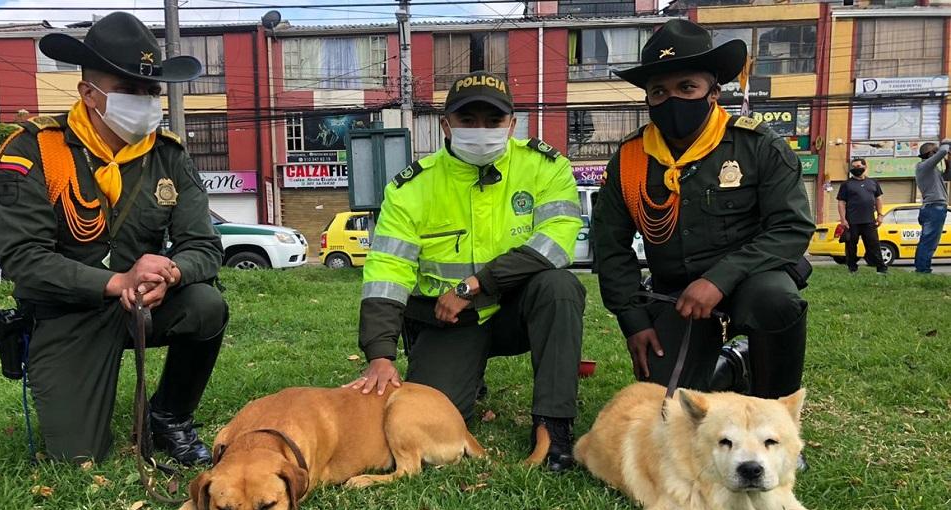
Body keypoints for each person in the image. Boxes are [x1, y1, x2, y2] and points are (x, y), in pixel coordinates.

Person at [0, 12, 227, 464]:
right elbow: (23, 259)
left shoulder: (168, 156)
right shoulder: (34, 151)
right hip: (67, 315)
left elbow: (204, 246)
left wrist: (171, 273)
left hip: (144, 307)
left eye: (151, 91)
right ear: (88, 93)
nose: (144, 102)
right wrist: (115, 282)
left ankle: (170, 417)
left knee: (206, 305)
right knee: (77, 457)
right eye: (128, 90)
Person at [346, 71, 585, 472]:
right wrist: (380, 354)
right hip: (449, 321)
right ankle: (467, 376)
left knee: (560, 286)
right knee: (433, 427)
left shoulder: (546, 167)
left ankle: (554, 427)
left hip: (516, 310)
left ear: (512, 124)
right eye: (467, 121)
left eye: (493, 122)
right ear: (446, 125)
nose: (481, 130)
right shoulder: (410, 188)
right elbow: (388, 269)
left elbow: (558, 242)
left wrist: (476, 284)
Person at [592, 19, 814, 400]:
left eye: (687, 87)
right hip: (676, 297)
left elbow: (791, 228)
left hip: (751, 280)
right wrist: (633, 320)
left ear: (713, 91)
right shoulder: (630, 160)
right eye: (659, 91)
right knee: (670, 410)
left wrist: (718, 279)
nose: (672, 99)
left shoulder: (757, 146)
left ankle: (775, 414)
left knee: (776, 300)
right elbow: (611, 246)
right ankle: (732, 365)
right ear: (647, 99)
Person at [837, 158, 887, 274]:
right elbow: (841, 202)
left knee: (874, 244)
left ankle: (881, 268)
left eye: (858, 166)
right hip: (852, 221)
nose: (856, 169)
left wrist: (880, 215)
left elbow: (878, 199)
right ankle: (852, 268)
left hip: (869, 221)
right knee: (851, 246)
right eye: (853, 167)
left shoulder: (873, 183)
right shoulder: (846, 184)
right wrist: (843, 219)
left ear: (865, 167)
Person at [913, 140, 951, 274]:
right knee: (929, 241)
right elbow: (943, 151)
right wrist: (946, 142)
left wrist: (948, 160)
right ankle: (922, 269)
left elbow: (948, 176)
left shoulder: (932, 170)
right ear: (931, 154)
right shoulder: (923, 166)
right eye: (935, 151)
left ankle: (921, 268)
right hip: (933, 207)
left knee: (928, 240)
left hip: (934, 207)